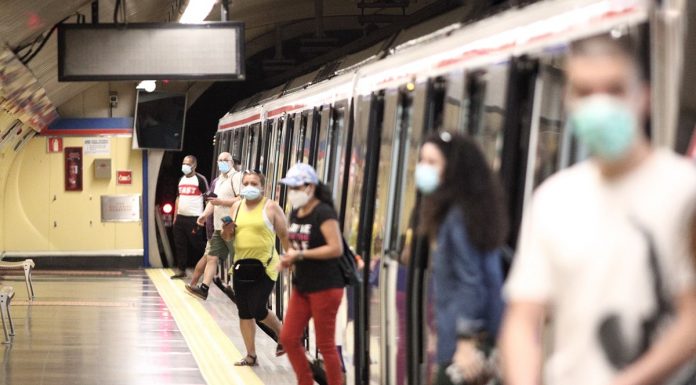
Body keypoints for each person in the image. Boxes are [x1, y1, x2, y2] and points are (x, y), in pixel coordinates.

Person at [500, 34, 696, 385]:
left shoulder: (685, 191)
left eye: (615, 89)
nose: (599, 105)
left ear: (643, 96)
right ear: (568, 100)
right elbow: (523, 318)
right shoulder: (553, 200)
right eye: (585, 92)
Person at [414, 131, 508, 385]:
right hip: (468, 339)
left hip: (466, 347)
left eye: (432, 162)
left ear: (453, 169)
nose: (423, 169)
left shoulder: (457, 217)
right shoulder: (470, 212)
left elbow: (470, 281)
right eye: (422, 161)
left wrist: (465, 342)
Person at [278, 163, 346, 385]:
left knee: (325, 345)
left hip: (326, 286)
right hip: (303, 285)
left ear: (310, 187)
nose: (293, 192)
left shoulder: (324, 212)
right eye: (290, 188)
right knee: (288, 338)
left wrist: (300, 256)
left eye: (297, 187)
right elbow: (296, 245)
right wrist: (289, 258)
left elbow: (336, 248)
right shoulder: (297, 212)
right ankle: (305, 381)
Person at [219, 169, 290, 366]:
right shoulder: (236, 207)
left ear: (262, 187)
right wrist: (227, 231)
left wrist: (291, 260)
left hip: (267, 266)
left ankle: (282, 332)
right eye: (246, 183)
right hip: (242, 266)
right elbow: (228, 238)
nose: (249, 187)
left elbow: (284, 235)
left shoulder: (272, 207)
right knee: (244, 311)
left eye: (254, 183)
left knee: (258, 308)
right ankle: (251, 355)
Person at [185, 152, 240, 300]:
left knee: (238, 258)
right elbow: (212, 201)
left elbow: (240, 199)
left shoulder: (236, 178)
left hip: (231, 226)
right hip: (218, 226)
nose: (222, 162)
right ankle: (204, 288)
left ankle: (239, 289)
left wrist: (221, 202)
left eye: (225, 160)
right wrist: (204, 215)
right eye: (220, 160)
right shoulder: (218, 180)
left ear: (231, 162)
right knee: (211, 257)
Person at [171, 155, 209, 279]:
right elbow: (178, 198)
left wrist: (205, 217)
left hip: (195, 218)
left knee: (197, 244)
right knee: (180, 244)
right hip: (181, 218)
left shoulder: (200, 179)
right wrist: (175, 216)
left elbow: (207, 199)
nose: (185, 166)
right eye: (184, 163)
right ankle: (181, 269)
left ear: (194, 166)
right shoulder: (181, 179)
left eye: (188, 164)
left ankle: (210, 264)